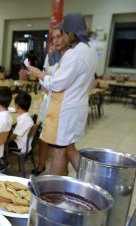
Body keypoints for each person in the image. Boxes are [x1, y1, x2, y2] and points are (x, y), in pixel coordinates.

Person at [27, 13, 97, 175]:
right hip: (77, 106)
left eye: (64, 33)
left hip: (64, 111)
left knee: (59, 151)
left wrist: (39, 74)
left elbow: (57, 84)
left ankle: (53, 193)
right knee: (70, 149)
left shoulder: (74, 54)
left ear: (71, 32)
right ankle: (91, 182)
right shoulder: (90, 50)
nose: (63, 37)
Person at [32, 25, 69, 176]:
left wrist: (48, 82)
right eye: (53, 38)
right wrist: (44, 83)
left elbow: (62, 82)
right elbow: (44, 75)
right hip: (49, 100)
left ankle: (61, 170)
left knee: (62, 142)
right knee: (44, 134)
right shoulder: (50, 56)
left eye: (58, 37)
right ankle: (41, 165)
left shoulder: (70, 57)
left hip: (63, 103)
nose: (55, 41)